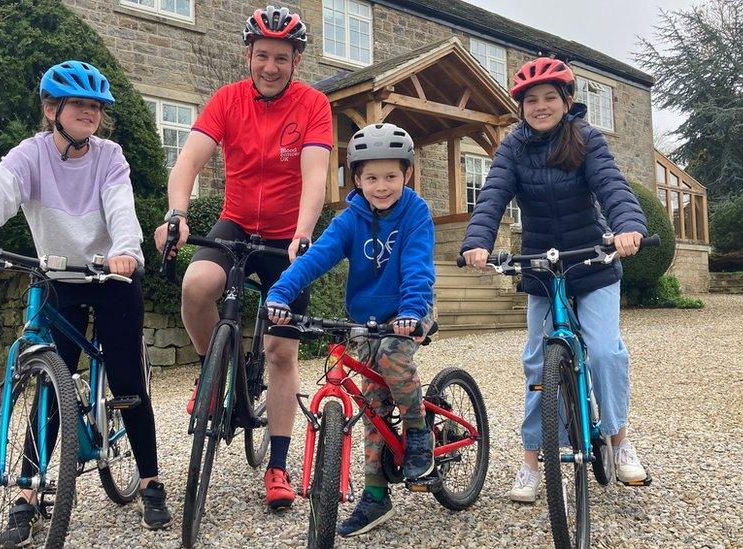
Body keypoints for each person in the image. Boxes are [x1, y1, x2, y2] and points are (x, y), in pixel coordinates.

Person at [0, 60, 170, 544]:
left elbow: (121, 206)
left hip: (112, 276)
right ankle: (27, 493)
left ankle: (149, 481)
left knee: (126, 379)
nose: (89, 113)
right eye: (79, 104)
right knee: (50, 382)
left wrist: (126, 251)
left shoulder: (110, 157)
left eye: (96, 106)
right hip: (61, 278)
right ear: (51, 109)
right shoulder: (31, 156)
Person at [152, 5, 332, 510]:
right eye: (262, 56)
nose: (270, 67)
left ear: (296, 60)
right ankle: (214, 372)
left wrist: (303, 233)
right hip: (235, 223)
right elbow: (188, 159)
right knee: (195, 286)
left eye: (281, 57)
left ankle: (277, 464)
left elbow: (316, 176)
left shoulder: (314, 104)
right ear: (248, 54)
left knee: (280, 352)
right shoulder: (227, 100)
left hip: (285, 236)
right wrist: (176, 215)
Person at [459, 57, 650, 503]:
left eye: (549, 98)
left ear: (567, 101)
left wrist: (627, 226)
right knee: (536, 363)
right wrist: (477, 240)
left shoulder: (586, 139)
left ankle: (619, 441)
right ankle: (531, 461)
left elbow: (612, 186)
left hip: (593, 263)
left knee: (604, 351)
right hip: (542, 268)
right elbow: (492, 196)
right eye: (531, 100)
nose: (540, 106)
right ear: (521, 106)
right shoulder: (512, 148)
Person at [267, 122, 436, 537]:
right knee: (372, 403)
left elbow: (417, 267)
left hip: (410, 310)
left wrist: (412, 311)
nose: (382, 186)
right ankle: (376, 496)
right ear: (356, 179)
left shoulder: (415, 213)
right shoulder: (350, 219)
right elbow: (317, 258)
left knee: (394, 359)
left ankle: (418, 432)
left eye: (391, 176)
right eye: (372, 177)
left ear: (407, 174)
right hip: (366, 320)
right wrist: (281, 292)